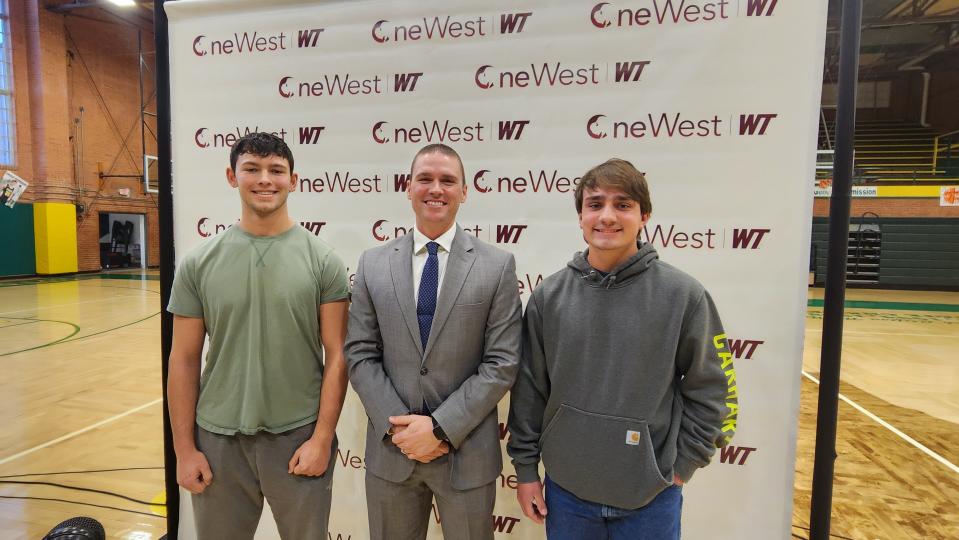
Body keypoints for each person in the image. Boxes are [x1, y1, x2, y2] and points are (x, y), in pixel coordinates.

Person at [507, 158, 738, 539]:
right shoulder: (549, 296)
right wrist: (527, 472)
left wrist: (683, 466)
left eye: (623, 204)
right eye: (595, 204)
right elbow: (530, 392)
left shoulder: (685, 296)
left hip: (652, 496)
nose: (607, 216)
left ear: (644, 215)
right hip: (567, 494)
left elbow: (714, 391)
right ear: (580, 216)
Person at [167, 132, 350, 539]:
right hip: (217, 441)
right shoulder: (198, 263)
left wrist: (321, 438)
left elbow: (338, 355)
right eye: (252, 169)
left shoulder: (324, 261)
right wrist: (184, 448)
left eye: (276, 170)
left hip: (298, 436)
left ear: (294, 180)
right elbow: (182, 358)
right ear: (233, 177)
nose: (264, 179)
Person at [345, 143, 522, 540]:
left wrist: (440, 428)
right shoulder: (373, 264)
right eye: (425, 178)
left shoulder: (496, 266)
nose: (435, 188)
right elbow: (359, 354)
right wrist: (401, 431)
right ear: (408, 188)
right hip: (393, 453)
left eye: (447, 180)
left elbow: (502, 362)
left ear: (465, 190)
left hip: (466, 455)